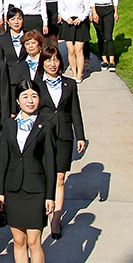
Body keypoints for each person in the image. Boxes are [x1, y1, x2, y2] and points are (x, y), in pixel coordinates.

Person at [0, 80, 57, 263]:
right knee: (18, 241)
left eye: (34, 96)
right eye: (25, 96)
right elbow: (3, 158)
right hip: (13, 189)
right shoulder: (9, 124)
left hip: (36, 189)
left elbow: (50, 163)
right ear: (17, 100)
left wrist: (50, 195)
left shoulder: (46, 125)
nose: (30, 101)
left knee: (34, 241)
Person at [34, 45, 86, 240]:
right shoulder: (36, 85)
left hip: (64, 136)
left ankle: (55, 219)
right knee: (45, 175)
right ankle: (43, 210)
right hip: (43, 136)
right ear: (43, 63)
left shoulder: (69, 84)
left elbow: (75, 111)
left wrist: (80, 135)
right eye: (48, 60)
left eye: (55, 59)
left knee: (60, 178)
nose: (52, 64)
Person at [58, 0, 91, 83]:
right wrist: (66, 18)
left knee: (79, 50)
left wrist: (80, 18)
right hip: (68, 23)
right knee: (71, 50)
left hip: (80, 24)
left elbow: (87, 9)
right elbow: (61, 9)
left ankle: (79, 75)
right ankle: (74, 72)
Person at [89, 0, 119, 71]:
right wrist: (93, 12)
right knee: (100, 36)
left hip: (108, 9)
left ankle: (112, 61)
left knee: (108, 36)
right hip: (97, 9)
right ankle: (104, 59)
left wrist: (116, 11)